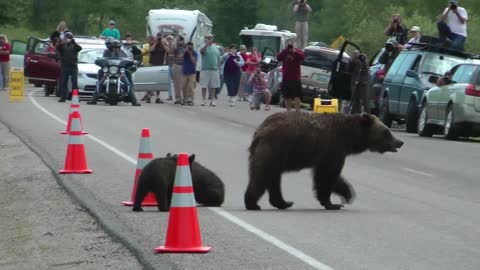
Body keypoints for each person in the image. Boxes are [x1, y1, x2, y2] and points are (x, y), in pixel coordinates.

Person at [87, 40, 140, 106]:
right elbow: (103, 60)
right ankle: (93, 100)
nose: (115, 48)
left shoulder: (123, 52)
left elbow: (128, 60)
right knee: (100, 83)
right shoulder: (106, 52)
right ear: (111, 47)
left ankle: (134, 101)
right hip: (109, 71)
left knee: (127, 84)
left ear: (119, 47)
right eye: (114, 47)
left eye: (117, 47)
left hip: (119, 71)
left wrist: (132, 62)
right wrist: (100, 62)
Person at [276, 42, 305, 112]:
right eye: (289, 44)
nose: (290, 46)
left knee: (296, 96)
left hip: (295, 78)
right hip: (286, 77)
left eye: (291, 44)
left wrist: (294, 51)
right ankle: (288, 111)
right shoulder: (285, 52)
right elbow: (278, 58)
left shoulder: (298, 51)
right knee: (287, 96)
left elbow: (302, 57)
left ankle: (297, 112)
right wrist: (285, 50)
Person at [55, 32, 82, 102]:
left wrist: (74, 42)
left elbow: (80, 48)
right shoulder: (62, 45)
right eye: (67, 38)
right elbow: (57, 48)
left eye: (69, 38)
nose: (68, 40)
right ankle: (63, 97)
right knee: (63, 82)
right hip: (65, 66)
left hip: (73, 66)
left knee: (75, 83)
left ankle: (75, 97)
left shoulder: (74, 45)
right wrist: (60, 42)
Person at [200, 34, 221, 107]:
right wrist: (206, 44)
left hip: (214, 69)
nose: (209, 39)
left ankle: (212, 100)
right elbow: (202, 52)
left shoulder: (216, 48)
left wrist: (219, 66)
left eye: (210, 37)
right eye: (207, 38)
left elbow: (218, 58)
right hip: (205, 69)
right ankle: (203, 100)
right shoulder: (203, 46)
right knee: (204, 85)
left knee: (213, 86)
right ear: (205, 38)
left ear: (213, 38)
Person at [181, 41, 198, 106]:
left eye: (191, 46)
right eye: (188, 46)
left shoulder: (195, 53)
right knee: (183, 87)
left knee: (191, 87)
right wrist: (186, 50)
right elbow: (181, 57)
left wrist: (190, 54)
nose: (190, 48)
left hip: (192, 72)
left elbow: (194, 62)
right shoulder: (185, 52)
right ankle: (184, 100)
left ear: (193, 47)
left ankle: (191, 101)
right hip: (184, 72)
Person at [172, 35, 186, 104]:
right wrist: (175, 43)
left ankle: (184, 98)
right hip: (176, 65)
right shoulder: (175, 48)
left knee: (183, 83)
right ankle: (178, 98)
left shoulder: (186, 47)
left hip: (184, 66)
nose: (178, 41)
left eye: (179, 40)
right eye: (177, 40)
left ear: (182, 41)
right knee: (176, 83)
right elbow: (172, 50)